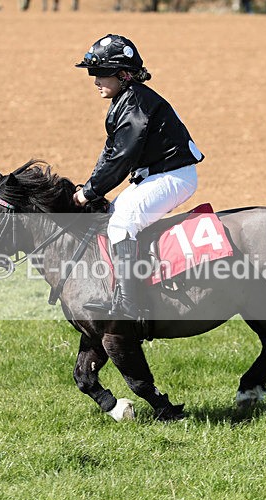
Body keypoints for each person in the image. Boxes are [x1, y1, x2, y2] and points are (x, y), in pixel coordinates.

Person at [73, 34, 204, 323]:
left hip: (173, 177)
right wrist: (90, 187)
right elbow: (110, 154)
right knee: (112, 215)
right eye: (92, 73)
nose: (94, 81)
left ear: (124, 74)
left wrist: (88, 193)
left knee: (122, 222)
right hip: (159, 175)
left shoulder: (136, 104)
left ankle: (129, 305)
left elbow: (121, 159)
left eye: (101, 74)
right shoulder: (126, 99)